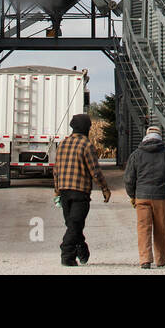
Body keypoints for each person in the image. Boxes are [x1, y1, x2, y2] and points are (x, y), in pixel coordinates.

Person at [53, 112, 111, 267]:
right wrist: (104, 188)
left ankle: (82, 252)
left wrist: (57, 190)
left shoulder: (62, 144)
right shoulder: (86, 145)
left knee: (72, 224)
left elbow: (56, 170)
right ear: (86, 128)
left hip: (64, 191)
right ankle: (67, 254)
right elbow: (95, 171)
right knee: (75, 224)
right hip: (80, 192)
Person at [123, 125, 165, 269]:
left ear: (146, 136)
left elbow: (129, 179)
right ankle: (161, 259)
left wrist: (132, 195)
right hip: (161, 197)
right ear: (160, 137)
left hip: (141, 196)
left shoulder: (136, 154)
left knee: (143, 227)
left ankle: (145, 259)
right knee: (161, 227)